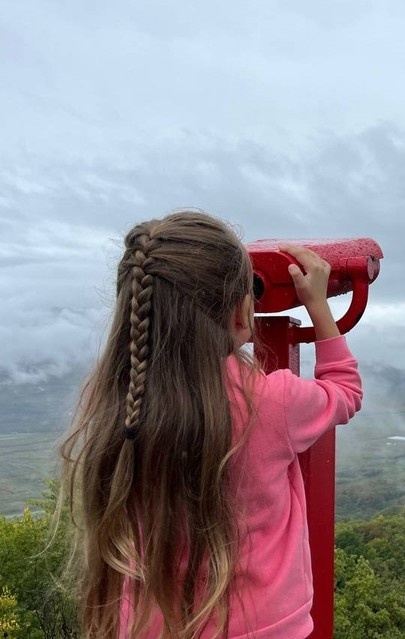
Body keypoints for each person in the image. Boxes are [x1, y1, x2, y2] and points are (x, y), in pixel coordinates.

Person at [58, 210, 363, 638]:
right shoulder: (269, 402)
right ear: (242, 312)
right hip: (266, 627)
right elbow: (346, 392)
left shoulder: (116, 401)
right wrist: (318, 305)